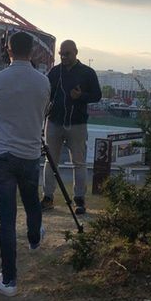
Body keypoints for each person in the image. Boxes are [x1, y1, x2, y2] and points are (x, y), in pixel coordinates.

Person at [0, 31, 50, 297]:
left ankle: (8, 281)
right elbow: (42, 112)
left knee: (6, 218)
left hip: (2, 154)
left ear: (8, 50)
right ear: (31, 51)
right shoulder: (43, 82)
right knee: (32, 200)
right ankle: (34, 238)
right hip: (30, 153)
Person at [41, 40, 101, 214]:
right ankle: (48, 197)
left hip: (77, 123)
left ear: (76, 52)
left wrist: (81, 96)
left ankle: (79, 200)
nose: (63, 57)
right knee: (50, 161)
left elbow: (97, 95)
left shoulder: (87, 73)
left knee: (79, 163)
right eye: (61, 53)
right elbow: (46, 93)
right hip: (53, 121)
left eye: (67, 53)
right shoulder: (54, 71)